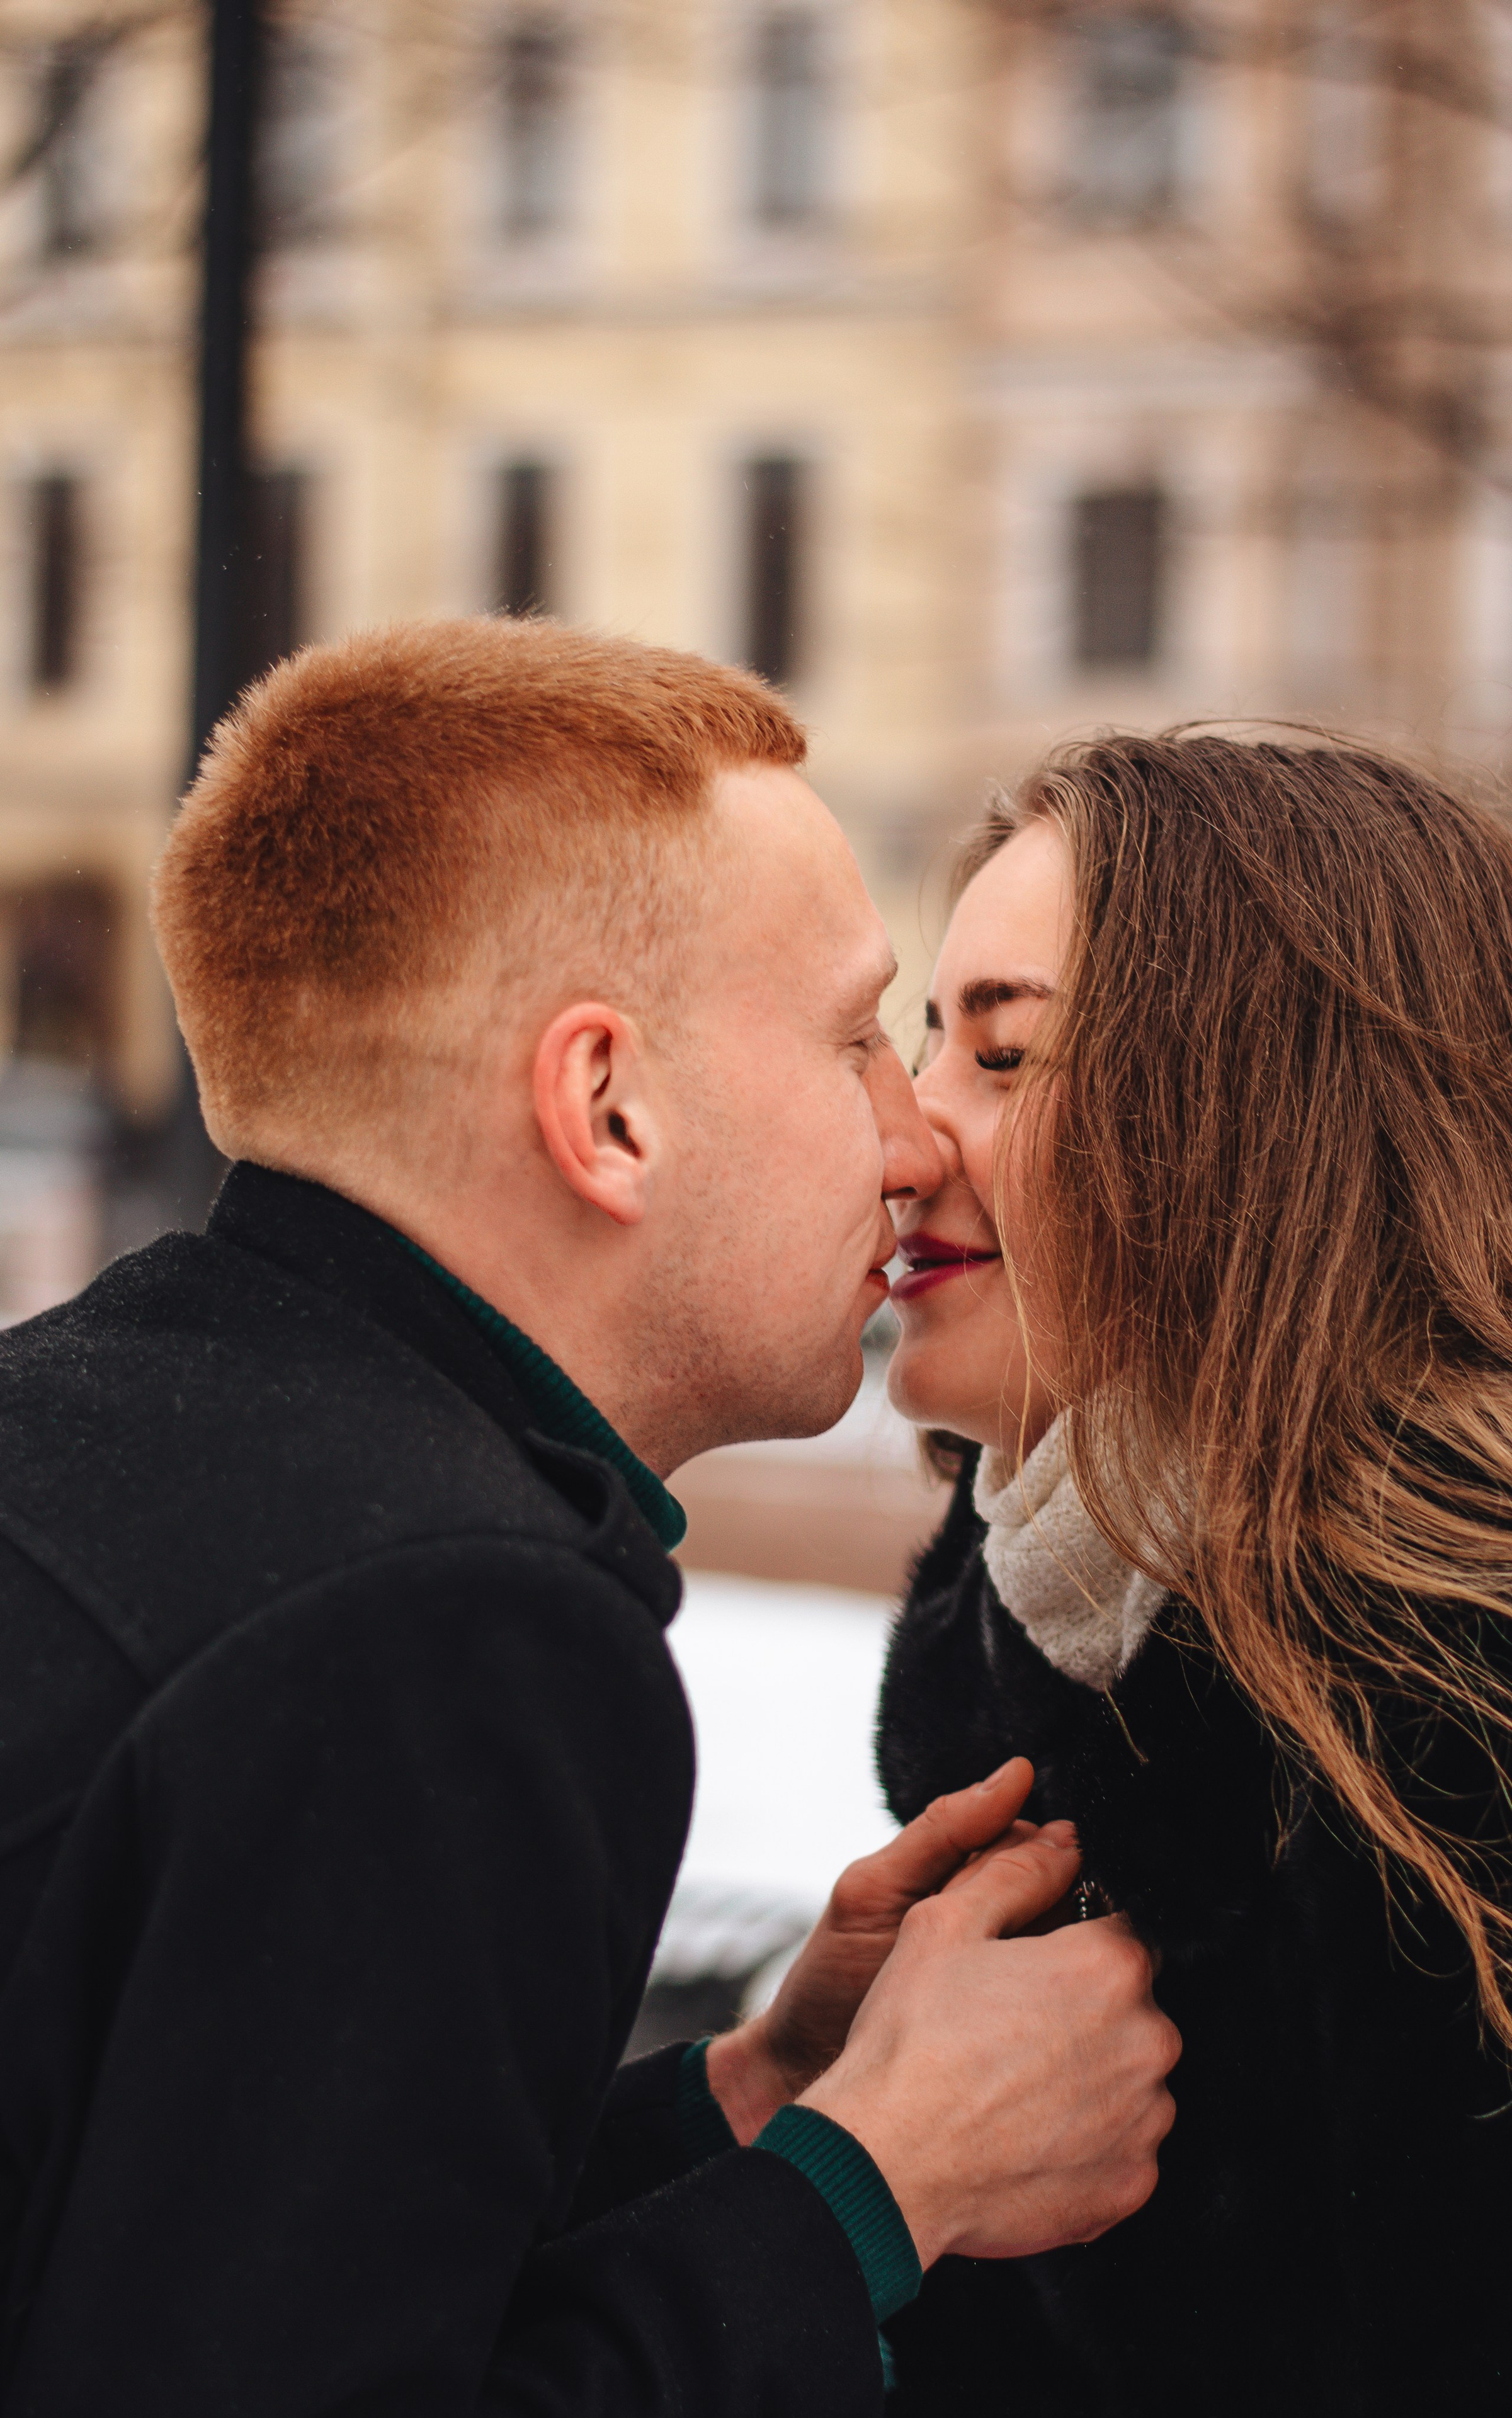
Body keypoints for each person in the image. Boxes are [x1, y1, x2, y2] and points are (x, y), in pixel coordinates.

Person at [0, 622, 1181, 2415]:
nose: (911, 1138)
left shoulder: (109, 1425)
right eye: (861, 1033)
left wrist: (757, 2092)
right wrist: (876, 2187)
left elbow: (240, 2247)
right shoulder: (442, 1626)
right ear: (606, 1106)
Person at [873, 731, 1512, 2417]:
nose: (902, 1139)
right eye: (928, 1043)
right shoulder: (1024, 1642)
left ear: (1268, 1123)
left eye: (1002, 1056)